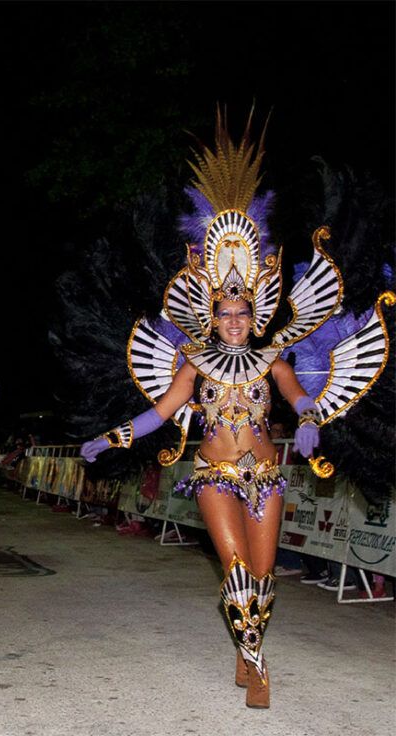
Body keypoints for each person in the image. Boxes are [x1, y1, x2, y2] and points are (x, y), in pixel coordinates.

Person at [81, 112, 393, 708]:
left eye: (242, 313)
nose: (233, 321)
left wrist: (306, 421)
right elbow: (161, 413)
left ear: (255, 315)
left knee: (264, 575)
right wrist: (112, 436)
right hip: (214, 476)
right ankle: (257, 662)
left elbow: (301, 397)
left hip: (268, 477)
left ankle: (245, 646)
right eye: (224, 313)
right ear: (210, 315)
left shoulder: (275, 356)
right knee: (236, 572)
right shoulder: (194, 362)